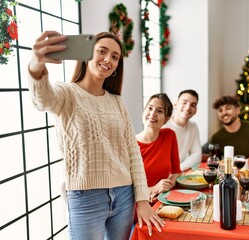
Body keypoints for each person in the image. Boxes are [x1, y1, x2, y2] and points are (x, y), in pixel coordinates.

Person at [27, 31, 164, 239]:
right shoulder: (66, 93)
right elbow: (42, 100)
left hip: (124, 195)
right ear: (87, 55)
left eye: (115, 57)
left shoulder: (118, 102)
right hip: (85, 198)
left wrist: (142, 199)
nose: (108, 59)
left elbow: (133, 153)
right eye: (102, 51)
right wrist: (36, 66)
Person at [136, 93, 182, 203]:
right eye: (150, 108)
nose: (152, 114)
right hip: (139, 205)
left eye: (159, 111)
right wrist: (154, 188)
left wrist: (167, 186)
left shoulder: (169, 135)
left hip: (163, 200)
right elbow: (126, 190)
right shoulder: (130, 145)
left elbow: (176, 172)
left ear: (166, 119)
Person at [163, 89, 202, 171]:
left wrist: (179, 169)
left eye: (193, 105)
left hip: (178, 172)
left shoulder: (193, 127)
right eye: (184, 102)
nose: (188, 108)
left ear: (195, 110)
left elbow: (197, 154)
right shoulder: (163, 125)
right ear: (175, 105)